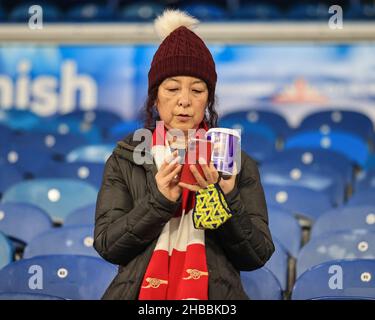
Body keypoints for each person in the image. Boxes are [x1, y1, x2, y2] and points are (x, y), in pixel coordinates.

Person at [94, 9, 274, 300]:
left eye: (198, 90)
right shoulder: (127, 157)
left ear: (209, 99)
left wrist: (226, 197)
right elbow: (108, 246)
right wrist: (160, 201)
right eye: (172, 88)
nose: (184, 101)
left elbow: (256, 256)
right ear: (155, 97)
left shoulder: (236, 162)